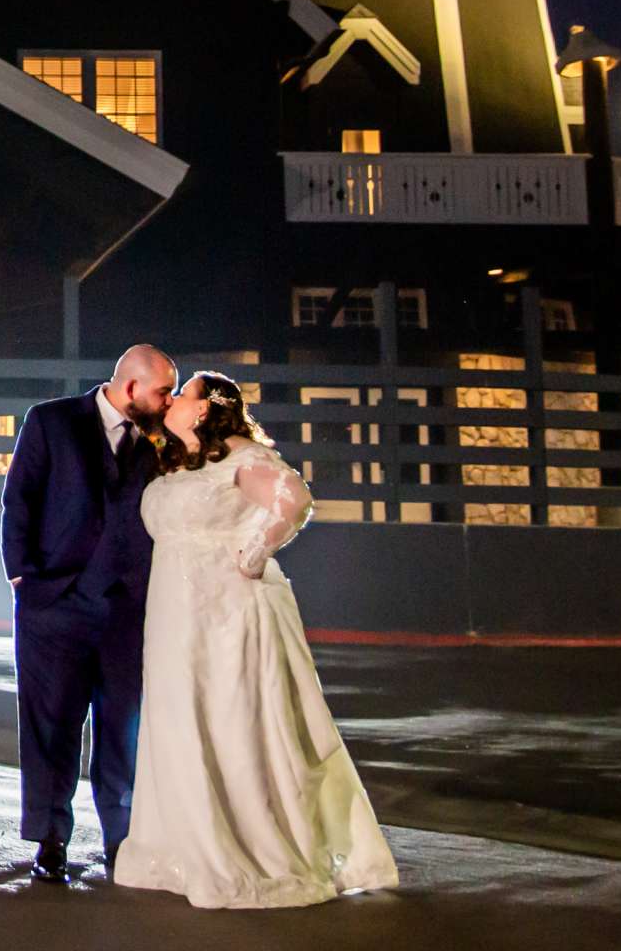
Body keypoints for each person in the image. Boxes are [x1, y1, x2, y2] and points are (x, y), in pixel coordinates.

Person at [112, 370, 399, 907]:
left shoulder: (240, 456)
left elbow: (294, 501)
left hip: (224, 613)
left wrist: (257, 550)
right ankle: (180, 843)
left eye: (183, 394)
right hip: (174, 615)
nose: (171, 400)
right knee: (180, 719)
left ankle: (252, 844)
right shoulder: (182, 461)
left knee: (230, 719)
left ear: (203, 410)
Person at [0, 343, 178, 881]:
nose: (168, 402)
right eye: (163, 390)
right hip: (54, 605)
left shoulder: (162, 439)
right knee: (51, 726)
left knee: (123, 730)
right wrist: (23, 577)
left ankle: (122, 841)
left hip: (129, 611)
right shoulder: (50, 421)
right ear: (130, 387)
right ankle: (50, 837)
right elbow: (20, 498)